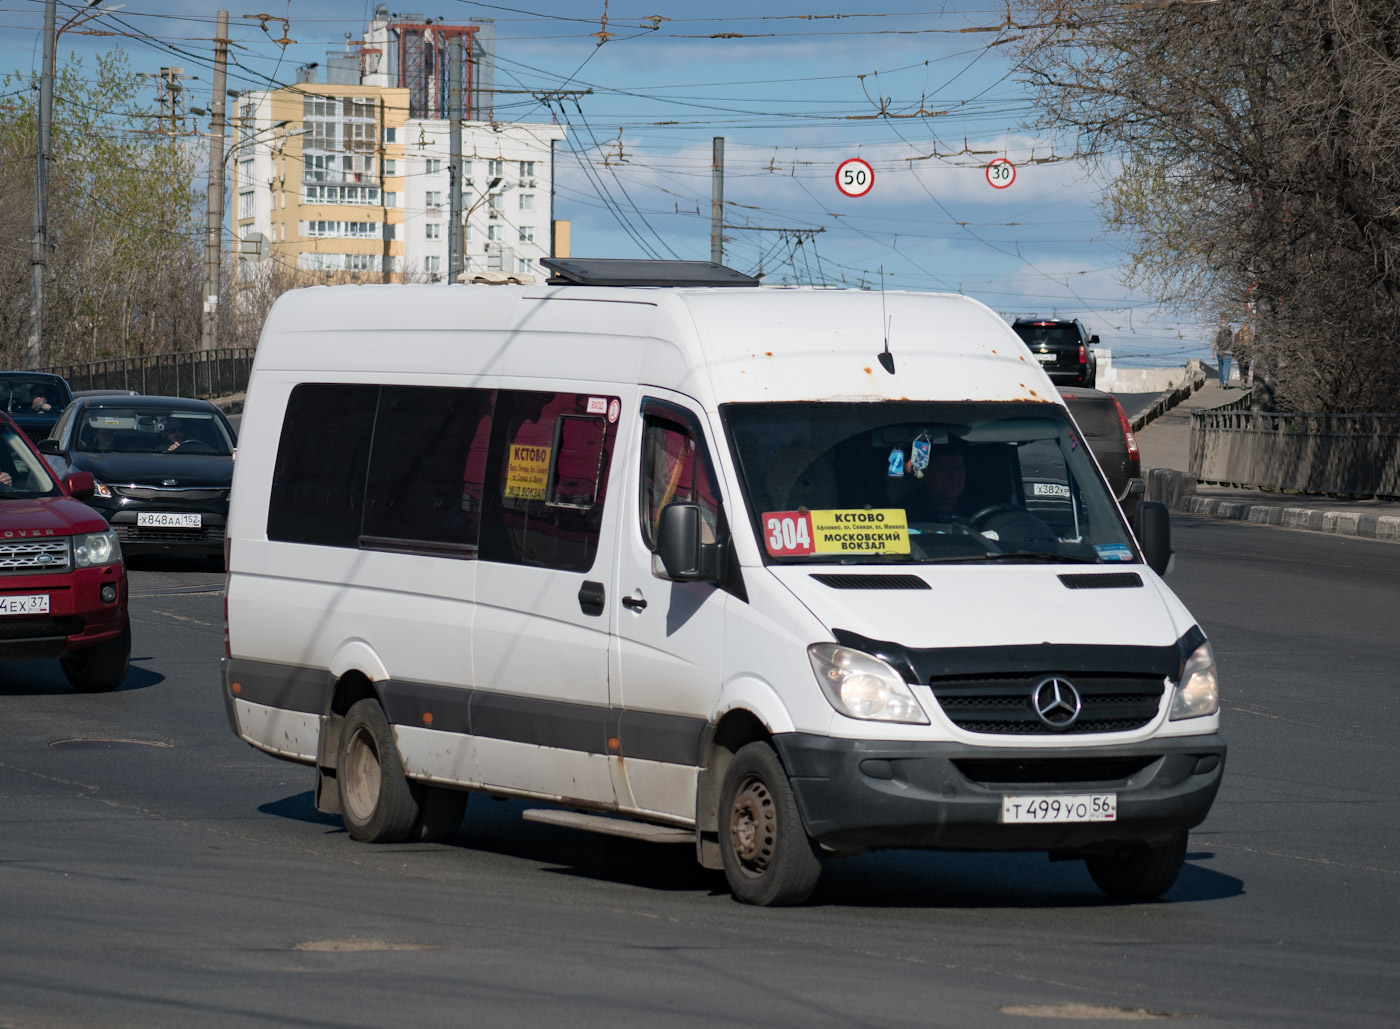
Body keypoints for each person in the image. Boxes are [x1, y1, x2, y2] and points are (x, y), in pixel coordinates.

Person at [1213, 315, 1234, 389]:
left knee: (1220, 367)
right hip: (1228, 351)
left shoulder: (1217, 328)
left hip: (1219, 351)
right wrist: (1232, 350)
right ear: (1226, 319)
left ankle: (1221, 383)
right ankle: (1225, 382)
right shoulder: (1230, 328)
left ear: (1220, 318)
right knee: (1227, 366)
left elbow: (1213, 340)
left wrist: (1213, 351)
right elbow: (1233, 340)